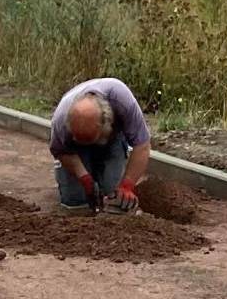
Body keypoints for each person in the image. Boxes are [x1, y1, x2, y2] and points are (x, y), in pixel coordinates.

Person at [49, 77, 152, 213]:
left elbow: (142, 145)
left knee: (115, 198)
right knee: (75, 201)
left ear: (106, 123)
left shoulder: (122, 100)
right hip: (75, 151)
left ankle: (102, 174)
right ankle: (85, 177)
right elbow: (61, 150)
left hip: (111, 140)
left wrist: (127, 185)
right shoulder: (61, 121)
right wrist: (84, 178)